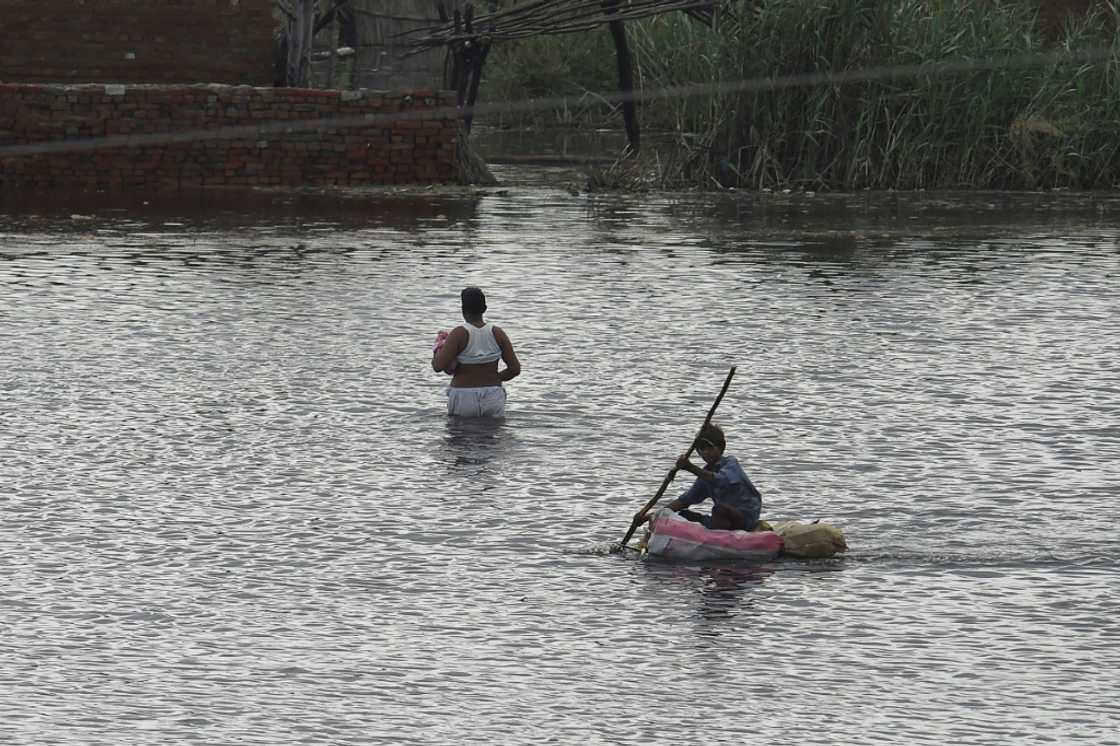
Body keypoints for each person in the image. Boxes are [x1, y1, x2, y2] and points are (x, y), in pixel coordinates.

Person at [636, 423, 762, 531]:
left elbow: (720, 480)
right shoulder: (704, 475)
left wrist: (690, 467)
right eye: (702, 448)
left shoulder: (730, 464)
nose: (706, 452)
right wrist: (649, 516)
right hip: (723, 521)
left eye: (710, 447)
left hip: (745, 517)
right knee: (684, 515)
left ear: (721, 447)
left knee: (719, 510)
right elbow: (684, 501)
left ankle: (720, 539)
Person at [431, 286, 521, 417]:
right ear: (484, 309)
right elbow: (515, 369)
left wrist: (436, 350)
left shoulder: (458, 334)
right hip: (493, 395)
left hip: (463, 396)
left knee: (460, 435)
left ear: (463, 310)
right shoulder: (497, 333)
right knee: (492, 435)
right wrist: (493, 377)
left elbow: (439, 366)